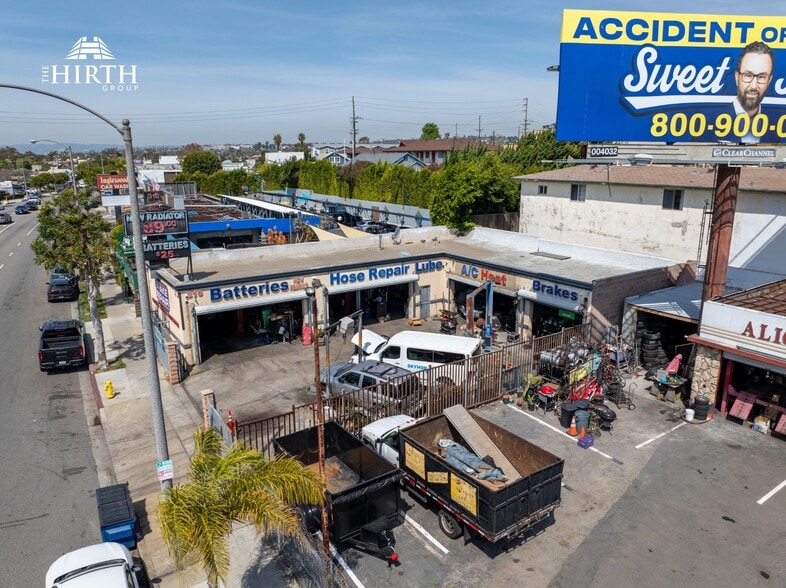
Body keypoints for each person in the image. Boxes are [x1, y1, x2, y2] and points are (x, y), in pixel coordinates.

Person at [731, 41, 776, 143]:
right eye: (748, 75)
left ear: (769, 80)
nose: (754, 86)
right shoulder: (709, 124)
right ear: (737, 77)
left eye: (761, 77)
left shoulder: (776, 127)